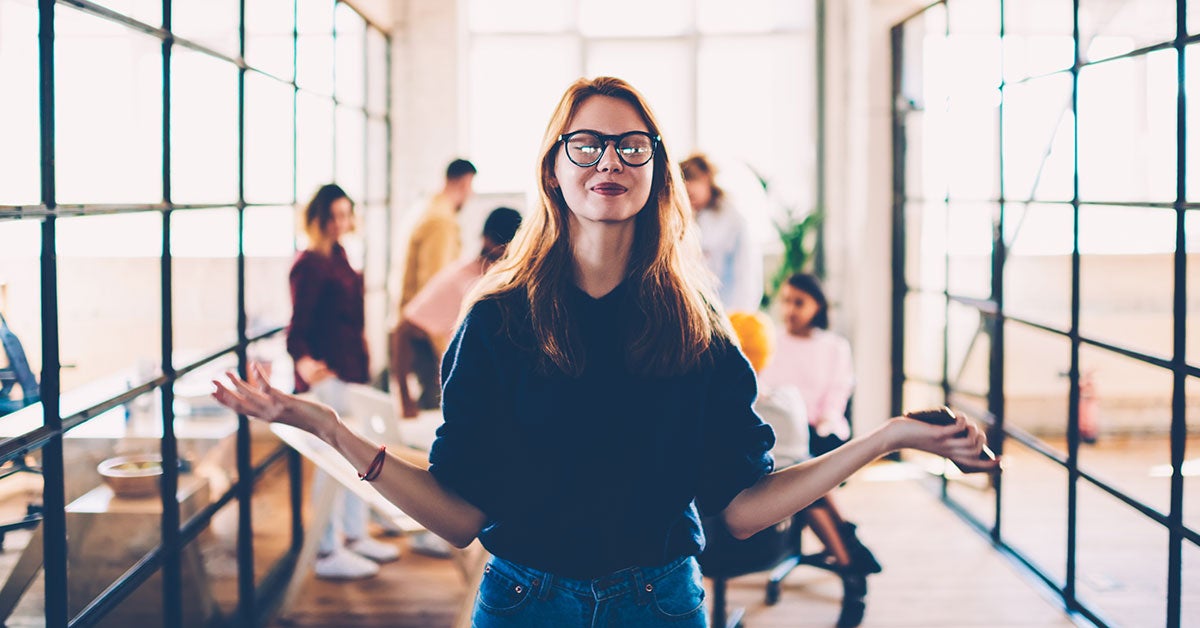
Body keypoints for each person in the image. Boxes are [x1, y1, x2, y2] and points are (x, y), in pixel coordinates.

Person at [215, 77, 996, 626]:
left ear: (655, 172)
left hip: (660, 606)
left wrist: (886, 437)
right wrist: (324, 425)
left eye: (631, 146)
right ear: (554, 172)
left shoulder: (699, 330)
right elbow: (458, 519)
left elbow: (744, 509)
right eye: (584, 145)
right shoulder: (496, 324)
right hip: (522, 606)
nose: (608, 163)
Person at [729, 310, 881, 628]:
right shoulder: (781, 401)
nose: (791, 310)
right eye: (788, 302)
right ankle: (849, 554)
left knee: (806, 477)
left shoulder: (723, 406)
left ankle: (850, 554)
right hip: (760, 518)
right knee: (807, 481)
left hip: (729, 526)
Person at [287, 183, 400, 580]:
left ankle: (353, 536)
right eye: (334, 215)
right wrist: (305, 362)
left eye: (345, 214)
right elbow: (296, 328)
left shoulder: (338, 256)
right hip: (330, 380)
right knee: (332, 465)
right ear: (319, 218)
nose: (341, 222)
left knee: (358, 459)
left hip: (351, 375)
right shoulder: (310, 263)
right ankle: (326, 549)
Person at [391, 207, 522, 419]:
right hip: (459, 397)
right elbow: (403, 330)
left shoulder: (513, 281)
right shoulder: (461, 280)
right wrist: (404, 398)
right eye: (505, 247)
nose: (509, 254)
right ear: (488, 241)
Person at [393, 158, 478, 412]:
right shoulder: (441, 221)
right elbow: (433, 285)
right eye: (471, 187)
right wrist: (444, 349)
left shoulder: (424, 209)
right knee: (433, 414)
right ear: (464, 182)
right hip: (424, 335)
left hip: (412, 324)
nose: (471, 195)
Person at [760, 272, 855, 458]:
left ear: (818, 306)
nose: (790, 310)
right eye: (786, 301)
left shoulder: (835, 347)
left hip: (819, 428)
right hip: (778, 426)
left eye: (799, 303)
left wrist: (826, 421)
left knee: (829, 449)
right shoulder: (769, 341)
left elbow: (838, 391)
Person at [681, 153, 764, 312]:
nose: (688, 186)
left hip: (729, 309)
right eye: (683, 181)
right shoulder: (682, 218)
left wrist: (739, 314)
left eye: (693, 178)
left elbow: (747, 274)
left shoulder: (733, 220)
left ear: (707, 178)